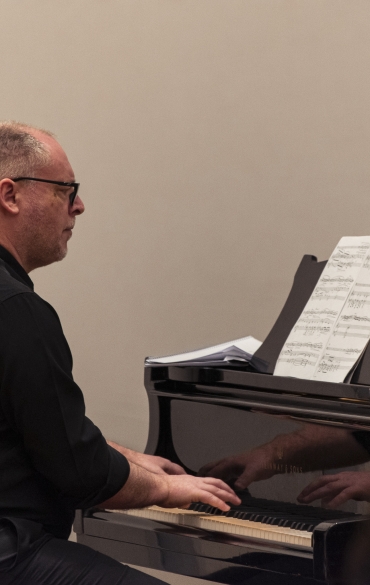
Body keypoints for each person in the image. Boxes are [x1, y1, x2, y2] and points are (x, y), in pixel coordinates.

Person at [0, 121, 240, 585]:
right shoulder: (17, 310)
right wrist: (167, 488)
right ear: (10, 196)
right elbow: (75, 471)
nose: (79, 206)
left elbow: (33, 430)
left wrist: (128, 457)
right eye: (65, 190)